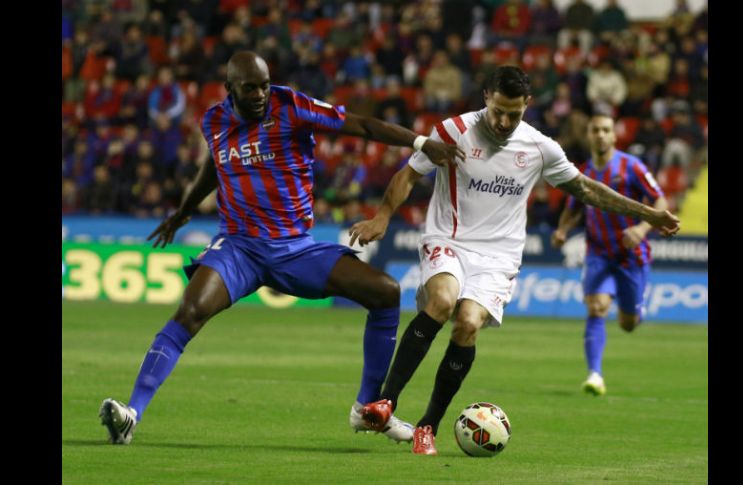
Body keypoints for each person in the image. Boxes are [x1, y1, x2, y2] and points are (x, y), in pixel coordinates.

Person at [99, 51, 464, 445]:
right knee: (190, 311)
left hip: (294, 248)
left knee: (386, 292)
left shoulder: (291, 105)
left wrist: (422, 141)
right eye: (249, 87)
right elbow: (215, 167)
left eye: (263, 84)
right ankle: (131, 414)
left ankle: (366, 409)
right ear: (230, 90)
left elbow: (361, 126)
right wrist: (185, 211)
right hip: (238, 248)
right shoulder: (214, 121)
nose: (259, 94)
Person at [347, 66, 679, 455]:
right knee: (441, 302)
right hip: (448, 238)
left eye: (514, 114)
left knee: (467, 325)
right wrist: (383, 215)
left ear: (528, 105)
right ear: (486, 96)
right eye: (498, 111)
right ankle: (386, 402)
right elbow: (408, 175)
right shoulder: (452, 131)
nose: (504, 122)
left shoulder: (540, 148)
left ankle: (428, 427)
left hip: (499, 255)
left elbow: (588, 190)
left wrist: (649, 214)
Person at [550, 114, 668, 397]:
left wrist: (642, 228)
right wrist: (563, 230)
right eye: (595, 130)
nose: (601, 135)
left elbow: (660, 200)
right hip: (599, 253)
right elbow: (573, 207)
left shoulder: (632, 167)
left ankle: (636, 310)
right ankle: (595, 374)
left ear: (615, 135)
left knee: (628, 324)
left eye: (606, 130)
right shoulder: (581, 173)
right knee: (596, 307)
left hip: (632, 254)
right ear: (589, 136)